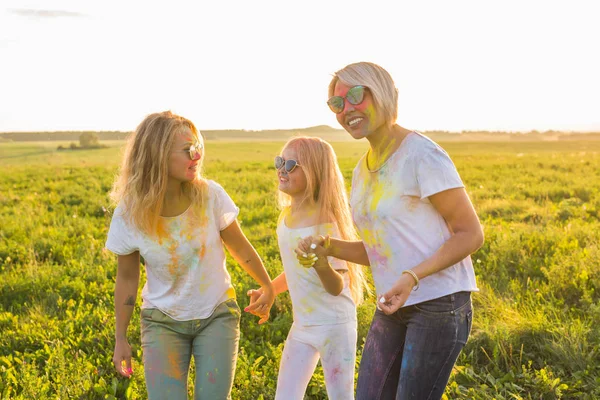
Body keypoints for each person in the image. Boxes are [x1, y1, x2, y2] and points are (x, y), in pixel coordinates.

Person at [301, 61, 484, 399]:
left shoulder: (421, 154)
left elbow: (470, 234)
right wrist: (327, 247)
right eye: (337, 104)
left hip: (439, 304)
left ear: (382, 93)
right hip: (393, 303)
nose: (347, 110)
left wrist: (412, 276)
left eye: (356, 95)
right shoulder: (362, 170)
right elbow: (381, 251)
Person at [105, 111, 274, 399]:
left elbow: (240, 247)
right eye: (188, 150)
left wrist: (268, 286)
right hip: (161, 321)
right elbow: (127, 278)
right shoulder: (129, 213)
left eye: (198, 147)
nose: (197, 156)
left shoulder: (211, 195)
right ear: (157, 155)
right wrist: (120, 338)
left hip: (216, 314)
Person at [247, 136, 368, 400]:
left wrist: (321, 263)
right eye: (280, 161)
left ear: (314, 172)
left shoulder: (326, 222)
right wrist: (270, 290)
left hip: (335, 325)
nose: (282, 169)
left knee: (341, 395)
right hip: (303, 326)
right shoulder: (285, 218)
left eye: (291, 164)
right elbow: (294, 271)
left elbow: (337, 287)